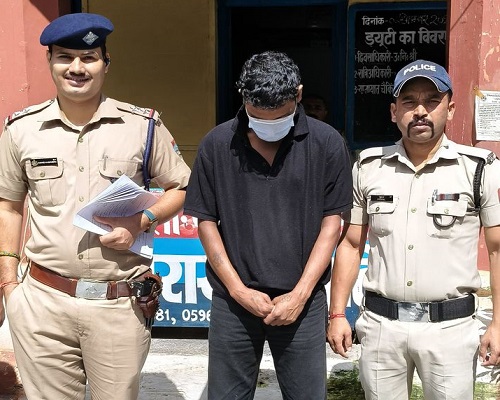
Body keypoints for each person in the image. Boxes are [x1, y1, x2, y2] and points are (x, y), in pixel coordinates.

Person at [0, 13, 191, 399]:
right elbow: (9, 206)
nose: (76, 68)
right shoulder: (21, 129)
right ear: (50, 61)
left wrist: (142, 220)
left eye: (88, 58)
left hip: (118, 305)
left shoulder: (142, 126)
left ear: (106, 63)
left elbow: (182, 187)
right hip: (42, 304)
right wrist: (8, 284)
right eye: (64, 57)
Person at [327, 59, 500, 400]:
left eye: (432, 101)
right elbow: (350, 244)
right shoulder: (368, 167)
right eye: (409, 101)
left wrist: (498, 323)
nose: (420, 111)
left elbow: (496, 249)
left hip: (450, 331)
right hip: (381, 329)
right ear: (394, 112)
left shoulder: (478, 169)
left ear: (450, 109)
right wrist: (337, 314)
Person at [184, 50, 353, 399]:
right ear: (244, 99)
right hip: (233, 303)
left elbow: (332, 224)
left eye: (280, 116)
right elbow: (206, 222)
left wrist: (300, 294)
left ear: (298, 95)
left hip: (303, 303)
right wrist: (238, 290)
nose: (269, 125)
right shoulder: (217, 144)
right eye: (259, 116)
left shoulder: (326, 143)